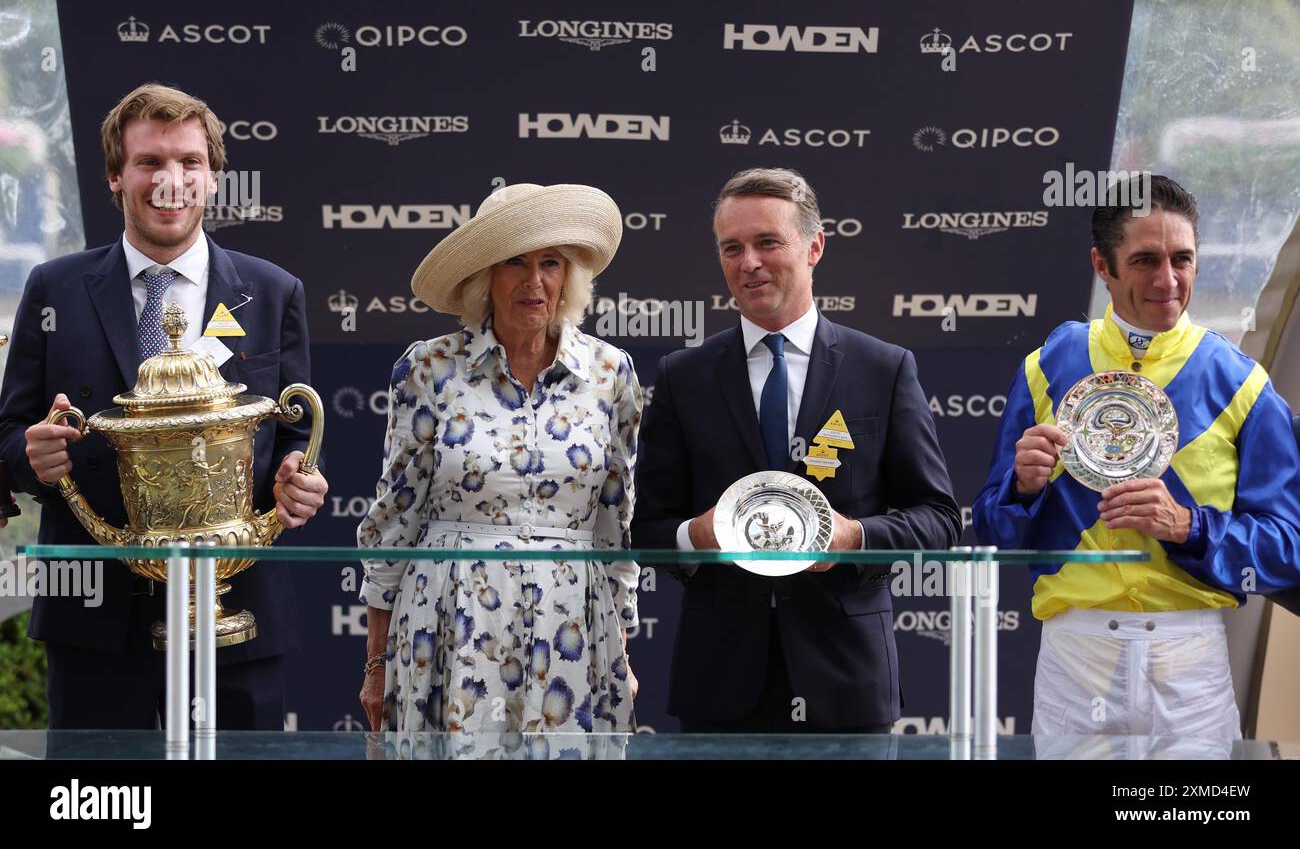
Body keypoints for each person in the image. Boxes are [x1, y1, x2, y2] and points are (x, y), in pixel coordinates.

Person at [0, 83, 328, 729]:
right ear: (116, 178)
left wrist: (301, 478)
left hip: (238, 621)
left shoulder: (272, 292)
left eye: (189, 162)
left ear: (212, 180)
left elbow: (294, 433)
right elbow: (8, 437)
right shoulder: (53, 289)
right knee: (107, 807)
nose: (170, 180)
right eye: (149, 162)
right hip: (94, 625)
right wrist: (26, 456)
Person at [972, 174, 1300, 742]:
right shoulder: (1048, 365)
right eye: (1146, 259)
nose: (1168, 280)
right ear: (1103, 266)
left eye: (1183, 259)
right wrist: (1021, 490)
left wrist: (1186, 526)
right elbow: (992, 531)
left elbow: (1287, 548)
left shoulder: (1244, 382)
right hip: (1076, 655)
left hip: (1189, 655)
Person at [632, 167, 961, 733]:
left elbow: (938, 518)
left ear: (815, 248)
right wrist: (695, 536)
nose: (748, 262)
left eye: (767, 242)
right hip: (720, 687)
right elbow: (647, 529)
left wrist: (855, 538)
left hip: (846, 684)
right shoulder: (683, 377)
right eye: (731, 248)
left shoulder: (883, 368)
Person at [357, 183, 641, 737]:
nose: (533, 281)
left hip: (574, 625)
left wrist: (621, 648)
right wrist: (375, 661)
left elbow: (616, 523)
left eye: (550, 263)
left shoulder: (611, 373)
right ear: (486, 277)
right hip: (448, 619)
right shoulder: (430, 367)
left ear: (569, 278)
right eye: (514, 262)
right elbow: (394, 519)